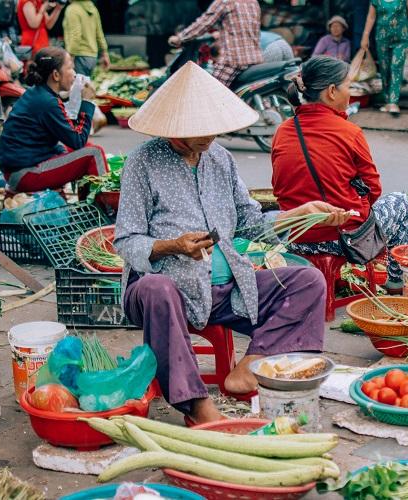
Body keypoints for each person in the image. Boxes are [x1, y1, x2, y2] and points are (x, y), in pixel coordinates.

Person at [114, 61, 350, 424]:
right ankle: (196, 406)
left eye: (215, 127)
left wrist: (302, 213)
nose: (212, 136)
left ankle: (253, 364)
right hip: (165, 292)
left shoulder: (219, 159)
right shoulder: (142, 163)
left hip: (227, 289)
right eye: (201, 130)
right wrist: (175, 246)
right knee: (157, 287)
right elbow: (127, 241)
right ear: (176, 128)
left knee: (309, 281)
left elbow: (251, 221)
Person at [271, 56, 408, 294]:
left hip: (293, 237)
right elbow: (374, 190)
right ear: (331, 91)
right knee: (401, 202)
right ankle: (396, 282)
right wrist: (354, 208)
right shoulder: (349, 132)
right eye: (348, 86)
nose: (351, 93)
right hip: (344, 241)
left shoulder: (282, 131)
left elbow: (279, 187)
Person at [0, 47, 107, 193]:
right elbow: (77, 140)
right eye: (70, 68)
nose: (74, 74)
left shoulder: (38, 93)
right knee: (94, 153)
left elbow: (70, 136)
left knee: (84, 148)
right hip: (25, 174)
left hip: (20, 168)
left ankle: (87, 208)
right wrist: (86, 102)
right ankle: (107, 207)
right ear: (56, 75)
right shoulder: (46, 102)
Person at [168, 0, 262, 87]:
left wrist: (180, 38)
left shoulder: (225, 2)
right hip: (255, 58)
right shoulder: (253, 2)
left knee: (210, 94)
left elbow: (204, 23)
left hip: (234, 60)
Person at [361, 0, 408, 116]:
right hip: (382, 37)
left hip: (403, 37)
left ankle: (393, 102)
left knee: (396, 66)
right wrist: (365, 36)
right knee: (385, 69)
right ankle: (387, 100)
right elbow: (371, 17)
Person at [63, 0, 110, 76]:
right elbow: (99, 34)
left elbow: (76, 36)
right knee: (87, 86)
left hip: (78, 57)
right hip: (92, 57)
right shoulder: (93, 9)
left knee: (78, 86)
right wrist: (105, 54)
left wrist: (70, 57)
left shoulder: (72, 9)